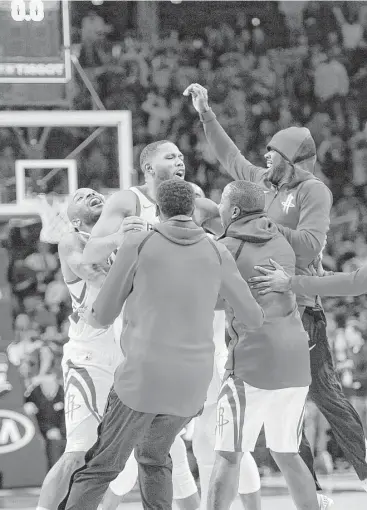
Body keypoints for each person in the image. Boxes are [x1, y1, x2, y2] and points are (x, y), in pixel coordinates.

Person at [184, 82, 367, 492]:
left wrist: (260, 228)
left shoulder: (313, 191)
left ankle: (365, 466)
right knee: (288, 417)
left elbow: (309, 246)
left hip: (301, 304)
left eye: (273, 151)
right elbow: (230, 156)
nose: (264, 155)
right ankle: (313, 493)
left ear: (293, 159)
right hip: (263, 308)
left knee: (325, 396)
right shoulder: (262, 183)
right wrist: (206, 114)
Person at [58, 179, 265, 510]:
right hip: (193, 384)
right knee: (154, 457)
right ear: (192, 208)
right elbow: (253, 318)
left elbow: (102, 314)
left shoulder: (139, 242)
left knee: (102, 466)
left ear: (158, 208)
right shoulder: (216, 248)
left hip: (144, 377)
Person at [207, 180, 322, 510]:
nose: (218, 209)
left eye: (222, 204)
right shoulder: (283, 237)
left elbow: (212, 299)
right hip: (296, 357)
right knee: (287, 452)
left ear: (234, 210)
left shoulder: (224, 246)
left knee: (229, 455)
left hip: (253, 359)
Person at [36, 188, 138, 510]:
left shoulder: (119, 243)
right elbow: (93, 274)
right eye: (81, 196)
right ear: (75, 217)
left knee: (126, 465)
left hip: (125, 361)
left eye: (94, 193)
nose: (91, 195)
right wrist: (123, 240)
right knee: (77, 452)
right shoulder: (72, 239)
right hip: (88, 360)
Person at [82, 140, 221, 266]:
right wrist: (117, 238)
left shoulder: (201, 207)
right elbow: (89, 255)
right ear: (149, 168)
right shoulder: (127, 201)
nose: (180, 163)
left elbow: (234, 242)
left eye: (181, 158)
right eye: (170, 157)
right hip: (141, 290)